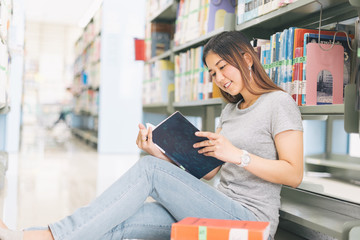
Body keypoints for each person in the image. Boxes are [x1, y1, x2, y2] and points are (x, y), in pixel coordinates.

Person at [0, 31, 303, 240]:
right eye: (212, 73)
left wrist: (238, 155)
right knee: (120, 220)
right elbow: (211, 172)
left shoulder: (278, 103)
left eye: (222, 67)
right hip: (215, 206)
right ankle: (28, 237)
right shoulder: (231, 111)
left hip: (251, 221)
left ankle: (46, 235)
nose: (219, 78)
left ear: (247, 58)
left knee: (148, 171)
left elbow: (294, 173)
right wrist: (160, 151)